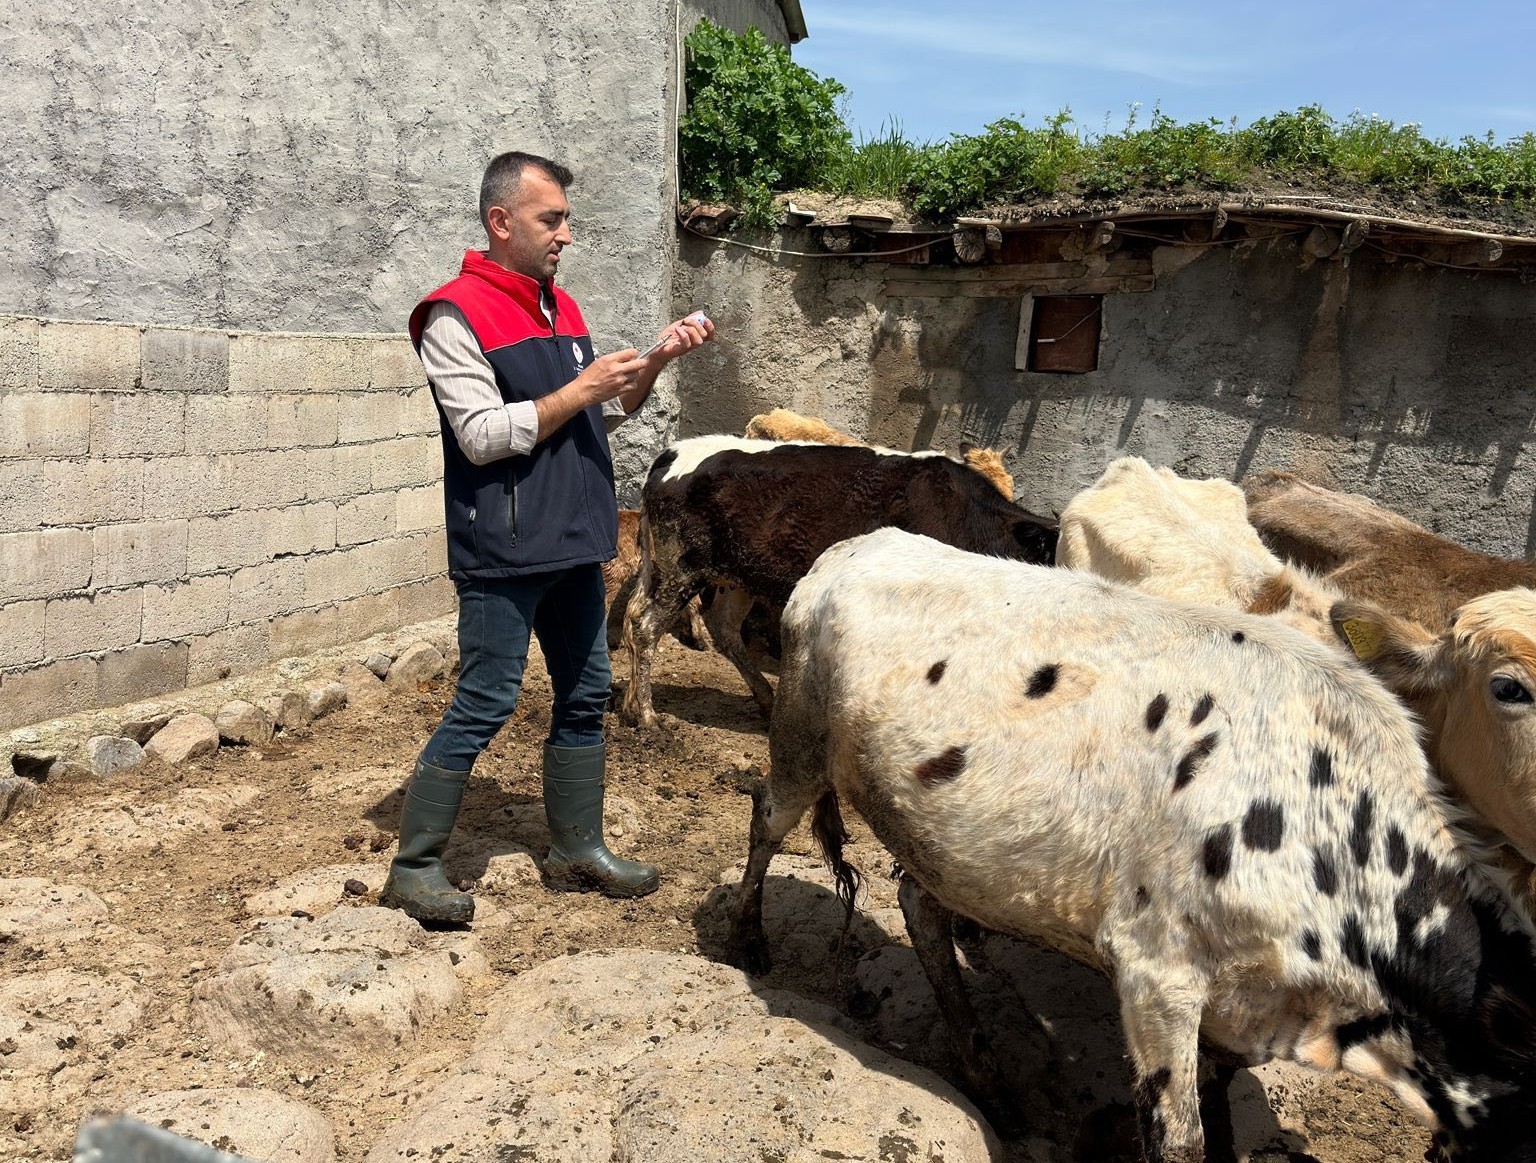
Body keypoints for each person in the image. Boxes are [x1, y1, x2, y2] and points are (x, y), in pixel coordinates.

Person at [381, 150, 713, 922]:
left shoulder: (558, 309)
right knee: (487, 699)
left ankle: (576, 847)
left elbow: (600, 413)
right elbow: (481, 436)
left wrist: (653, 362)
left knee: (587, 689)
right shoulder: (451, 315)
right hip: (505, 549)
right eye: (550, 219)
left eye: (565, 218)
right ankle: (415, 864)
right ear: (501, 223)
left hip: (572, 540)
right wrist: (580, 387)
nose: (566, 233)